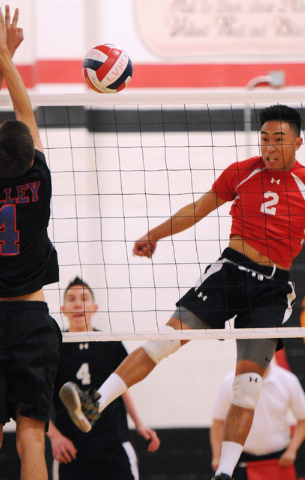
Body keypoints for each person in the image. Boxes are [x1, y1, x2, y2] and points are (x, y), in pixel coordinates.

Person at [59, 104, 305, 480]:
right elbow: (199, 209)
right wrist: (155, 234)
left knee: (248, 386)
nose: (268, 147)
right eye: (264, 138)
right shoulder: (242, 172)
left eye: (278, 140)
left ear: (298, 142)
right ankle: (94, 404)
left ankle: (225, 474)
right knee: (162, 341)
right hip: (230, 272)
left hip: (273, 289)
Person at [0, 6, 61, 480]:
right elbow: (25, 111)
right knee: (31, 435)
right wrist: (7, 59)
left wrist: (1, 55)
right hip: (30, 318)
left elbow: (19, 118)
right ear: (28, 154)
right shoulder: (38, 176)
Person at [49, 277, 160, 480]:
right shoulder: (54, 349)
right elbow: (40, 398)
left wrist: (139, 423)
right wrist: (54, 437)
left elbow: (122, 386)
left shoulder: (109, 344)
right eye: (71, 299)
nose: (77, 304)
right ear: (63, 308)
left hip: (113, 443)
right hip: (70, 447)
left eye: (84, 298)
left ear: (94, 307)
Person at [210, 362, 305, 479]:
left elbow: (304, 420)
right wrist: (217, 457)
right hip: (240, 459)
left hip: (279, 459)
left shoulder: (288, 380)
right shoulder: (230, 381)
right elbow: (218, 421)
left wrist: (292, 450)